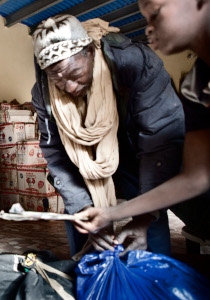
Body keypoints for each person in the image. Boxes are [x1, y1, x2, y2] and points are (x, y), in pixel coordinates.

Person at [31, 14, 186, 257]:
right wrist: (83, 209)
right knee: (83, 223)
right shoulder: (43, 92)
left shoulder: (136, 63)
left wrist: (144, 216)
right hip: (84, 161)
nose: (69, 88)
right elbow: (57, 156)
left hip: (140, 150)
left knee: (150, 220)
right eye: (57, 79)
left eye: (74, 73)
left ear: (90, 51)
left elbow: (162, 140)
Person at [74, 0, 210, 247]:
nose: (148, 29)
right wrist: (111, 214)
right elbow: (197, 177)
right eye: (146, 19)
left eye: (155, 13)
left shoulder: (144, 71)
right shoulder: (196, 87)